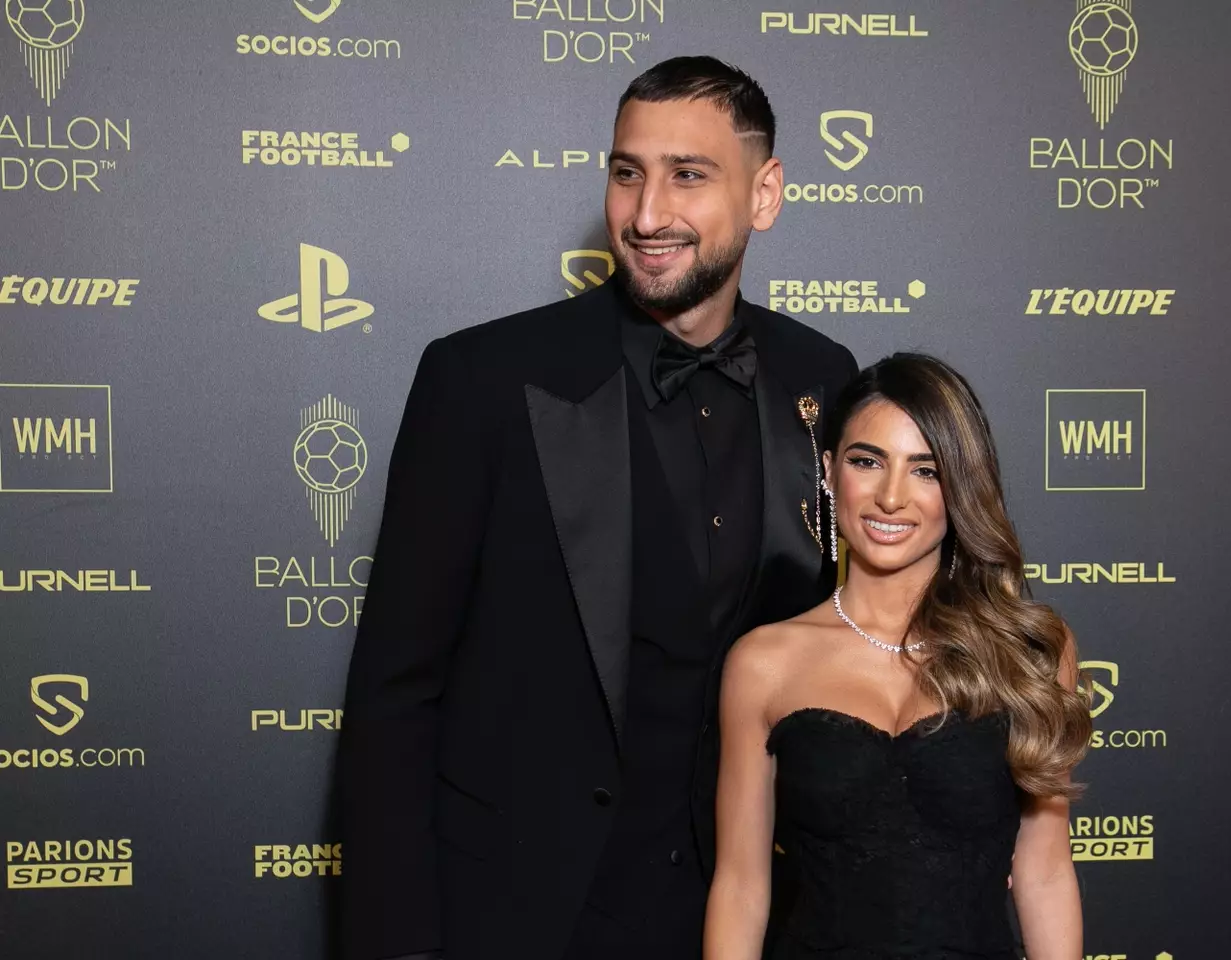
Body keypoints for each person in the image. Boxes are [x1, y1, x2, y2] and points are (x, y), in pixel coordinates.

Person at [337, 57, 857, 960]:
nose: (647, 215)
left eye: (687, 175)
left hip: (751, 914)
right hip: (526, 911)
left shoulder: (825, 377)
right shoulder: (484, 380)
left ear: (765, 193)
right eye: (627, 173)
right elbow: (394, 692)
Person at [705, 353, 1092, 960]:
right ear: (830, 473)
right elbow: (741, 888)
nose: (890, 497)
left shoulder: (1031, 652)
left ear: (961, 486)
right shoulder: (763, 663)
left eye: (926, 471)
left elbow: (1044, 876)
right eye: (867, 462)